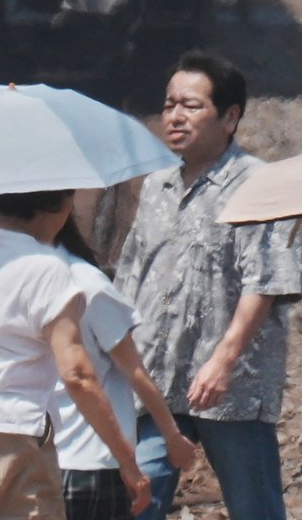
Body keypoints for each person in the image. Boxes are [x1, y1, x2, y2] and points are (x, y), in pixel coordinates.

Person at [115, 50, 302, 520]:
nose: (175, 117)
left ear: (230, 116)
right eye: (169, 104)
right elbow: (132, 276)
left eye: (191, 106)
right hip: (157, 383)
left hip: (231, 389)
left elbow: (267, 280)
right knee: (135, 503)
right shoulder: (156, 186)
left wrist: (223, 360)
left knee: (255, 508)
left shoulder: (261, 185)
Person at [0, 188, 151, 520]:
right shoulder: (46, 268)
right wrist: (128, 462)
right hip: (10, 435)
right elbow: (78, 374)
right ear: (56, 204)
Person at [51, 217, 199, 520]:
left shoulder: (19, 281)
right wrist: (171, 436)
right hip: (93, 460)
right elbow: (134, 371)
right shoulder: (87, 284)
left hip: (41, 457)